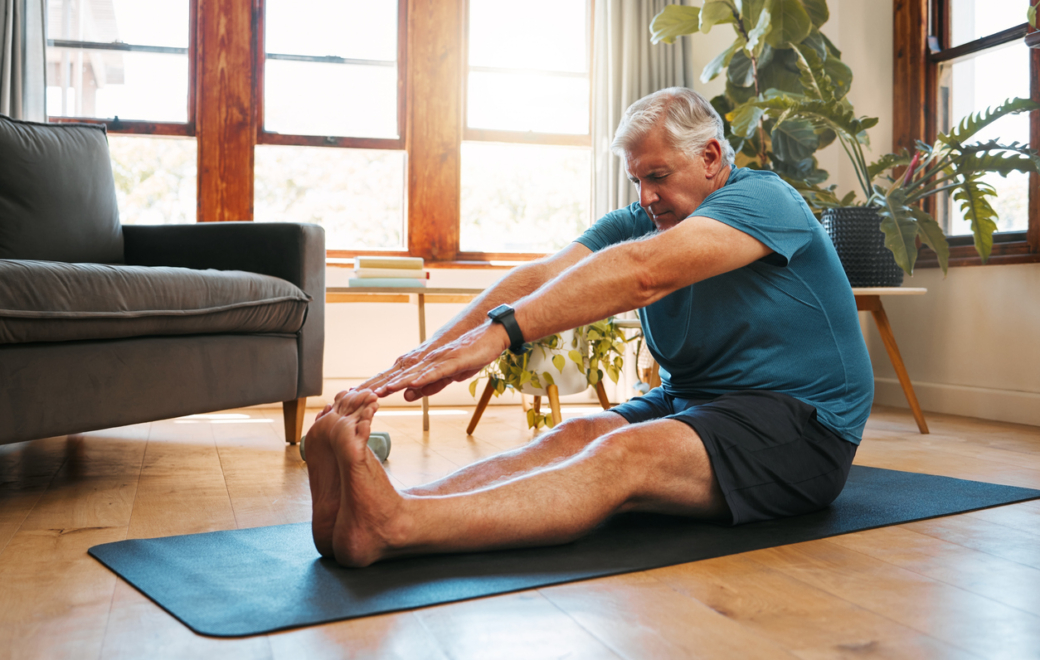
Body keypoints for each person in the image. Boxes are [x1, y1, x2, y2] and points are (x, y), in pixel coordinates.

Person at [306, 87, 874, 568]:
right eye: (637, 180)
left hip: (805, 425)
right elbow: (544, 276)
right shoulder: (642, 218)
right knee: (571, 437)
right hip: (697, 400)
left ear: (709, 156)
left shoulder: (764, 199)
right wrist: (427, 354)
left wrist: (497, 336)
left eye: (658, 176)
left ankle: (396, 527)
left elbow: (642, 273)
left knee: (622, 454)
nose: (647, 196)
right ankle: (385, 505)